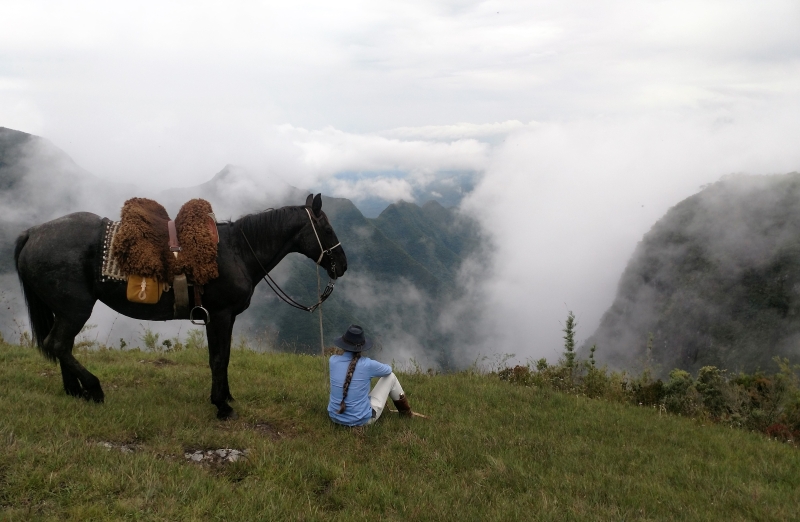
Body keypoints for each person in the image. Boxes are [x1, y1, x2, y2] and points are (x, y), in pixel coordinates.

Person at [327, 324, 412, 426]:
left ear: (343, 344)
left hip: (334, 417)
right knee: (391, 377)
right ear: (362, 347)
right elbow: (388, 370)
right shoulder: (367, 364)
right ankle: (407, 414)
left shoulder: (332, 360)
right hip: (360, 421)